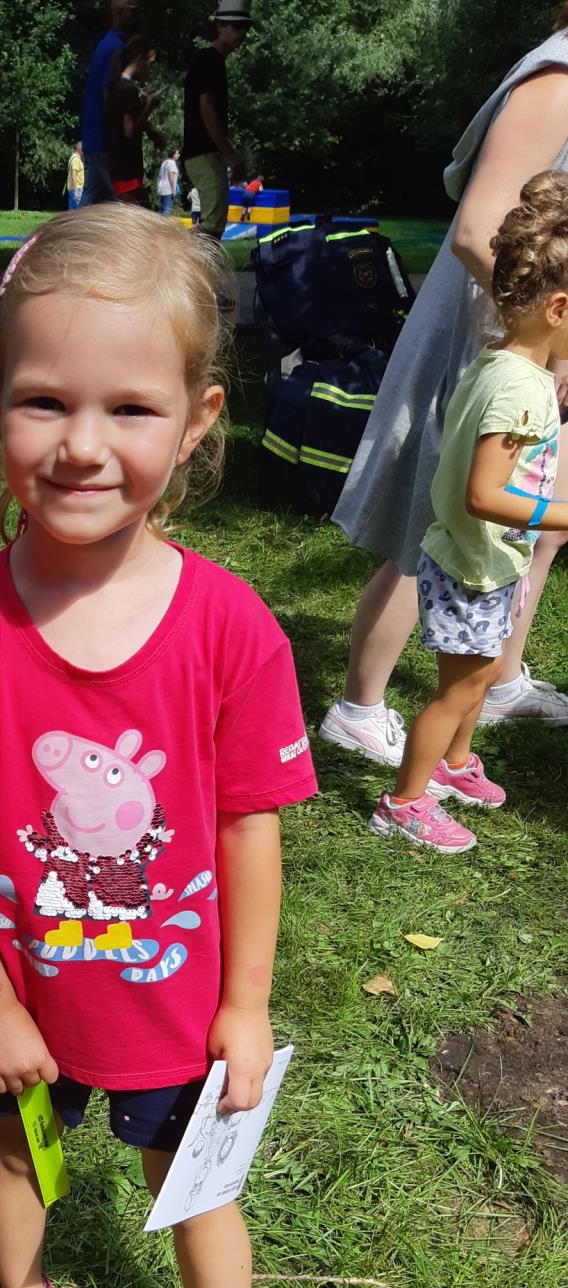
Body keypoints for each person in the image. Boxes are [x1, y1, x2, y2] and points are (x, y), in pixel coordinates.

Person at [0, 207, 317, 1288]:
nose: (83, 443)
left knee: (191, 1189)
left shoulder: (232, 629)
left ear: (197, 421)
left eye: (130, 409)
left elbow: (250, 824)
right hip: (15, 1000)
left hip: (171, 1009)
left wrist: (244, 1004)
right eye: (45, 400)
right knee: (12, 1156)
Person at [320, 14, 568, 759]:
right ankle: (359, 708)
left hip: (540, 337)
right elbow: (476, 230)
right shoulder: (559, 79)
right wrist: (541, 348)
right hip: (493, 333)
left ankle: (500, 680)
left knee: (540, 517)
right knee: (435, 522)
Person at [370, 173, 568, 852]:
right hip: (470, 568)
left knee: (480, 676)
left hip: (488, 561)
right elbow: (483, 495)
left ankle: (454, 765)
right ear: (559, 308)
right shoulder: (520, 389)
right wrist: (563, 513)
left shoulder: (505, 362)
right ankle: (404, 801)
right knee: (456, 692)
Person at [182, 0, 251, 241]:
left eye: (245, 26)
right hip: (203, 153)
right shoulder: (210, 60)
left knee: (212, 225)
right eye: (236, 26)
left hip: (204, 154)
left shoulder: (213, 61)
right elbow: (207, 108)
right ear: (220, 26)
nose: (241, 32)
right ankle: (178, 261)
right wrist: (229, 154)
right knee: (211, 229)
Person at [81, 0, 138, 205]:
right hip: (107, 144)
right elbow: (111, 99)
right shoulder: (116, 49)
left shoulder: (104, 45)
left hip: (94, 142)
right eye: (134, 10)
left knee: (89, 210)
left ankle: (70, 227)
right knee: (129, 204)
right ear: (120, 12)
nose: (138, 15)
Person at [105, 35, 163, 207]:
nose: (150, 69)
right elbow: (129, 131)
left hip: (116, 171)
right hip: (127, 175)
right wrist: (149, 107)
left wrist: (151, 132)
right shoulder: (128, 89)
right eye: (150, 63)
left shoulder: (116, 87)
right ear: (139, 59)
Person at [157, 147, 180, 215]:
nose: (179, 155)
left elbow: (159, 177)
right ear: (173, 154)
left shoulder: (164, 162)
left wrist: (158, 187)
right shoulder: (172, 163)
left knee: (161, 210)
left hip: (161, 189)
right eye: (177, 154)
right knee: (166, 210)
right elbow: (171, 176)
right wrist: (173, 190)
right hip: (168, 190)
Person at [66, 140, 85, 209]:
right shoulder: (76, 160)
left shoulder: (72, 158)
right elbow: (74, 175)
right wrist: (76, 191)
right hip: (76, 190)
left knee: (72, 212)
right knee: (80, 212)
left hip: (72, 189)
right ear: (80, 149)